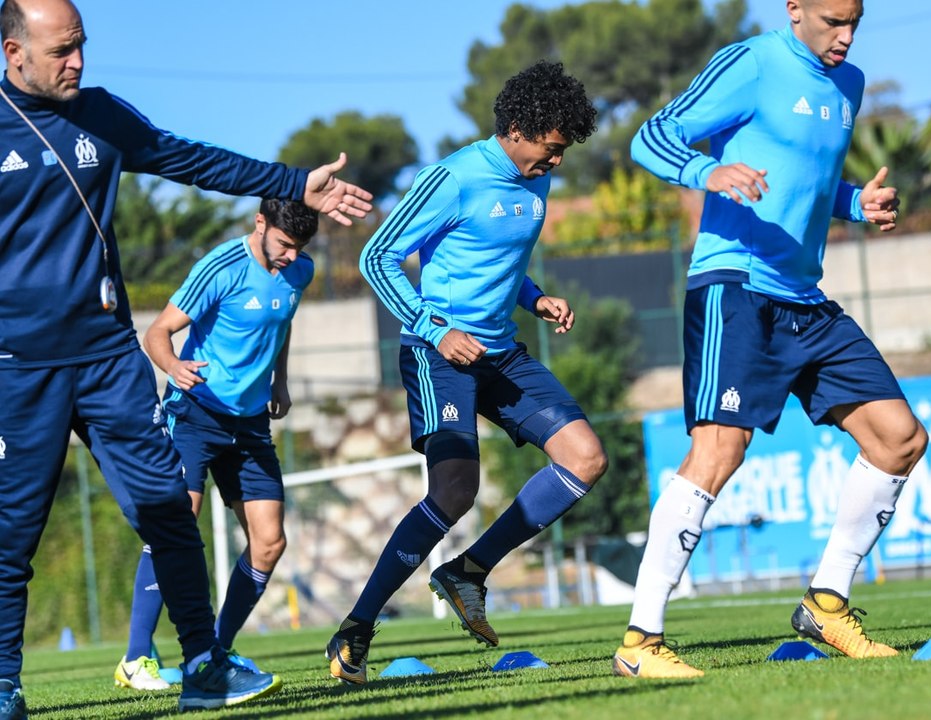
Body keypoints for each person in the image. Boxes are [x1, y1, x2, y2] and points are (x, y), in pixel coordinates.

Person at [0, 0, 372, 715]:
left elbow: (190, 158)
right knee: (13, 532)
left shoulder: (101, 114)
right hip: (20, 369)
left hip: (108, 360)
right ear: (14, 53)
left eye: (82, 45)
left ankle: (203, 664)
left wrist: (292, 182)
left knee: (169, 510)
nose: (78, 62)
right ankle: (4, 683)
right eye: (60, 51)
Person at [612, 0, 928, 679]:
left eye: (855, 22)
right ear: (795, 9)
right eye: (833, 20)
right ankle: (640, 642)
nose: (845, 36)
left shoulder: (848, 85)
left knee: (898, 439)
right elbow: (650, 137)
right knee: (718, 451)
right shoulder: (751, 63)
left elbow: (808, 178)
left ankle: (825, 604)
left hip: (805, 299)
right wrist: (706, 172)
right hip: (735, 287)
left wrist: (856, 203)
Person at [325, 60, 604, 685]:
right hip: (437, 353)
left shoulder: (536, 181)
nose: (557, 160)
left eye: (563, 150)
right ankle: (356, 629)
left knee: (585, 458)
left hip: (500, 353)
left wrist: (535, 298)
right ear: (517, 130)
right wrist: (436, 329)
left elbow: (497, 260)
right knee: (454, 491)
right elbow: (377, 257)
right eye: (551, 147)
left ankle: (468, 571)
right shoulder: (453, 177)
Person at [114, 199, 318, 691]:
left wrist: (280, 380)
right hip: (196, 415)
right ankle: (135, 658)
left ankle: (215, 653)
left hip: (250, 425)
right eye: (285, 244)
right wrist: (174, 367)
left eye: (300, 247)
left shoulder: (300, 270)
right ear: (260, 223)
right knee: (175, 525)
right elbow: (158, 332)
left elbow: (283, 320)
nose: (291, 256)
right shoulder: (220, 267)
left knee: (269, 543)